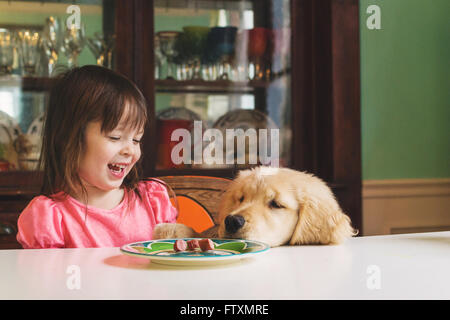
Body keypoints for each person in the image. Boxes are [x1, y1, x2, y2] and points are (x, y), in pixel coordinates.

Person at [16, 65, 177, 249]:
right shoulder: (51, 220)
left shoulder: (152, 203)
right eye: (115, 137)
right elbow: (45, 277)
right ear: (68, 138)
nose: (130, 151)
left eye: (136, 139)